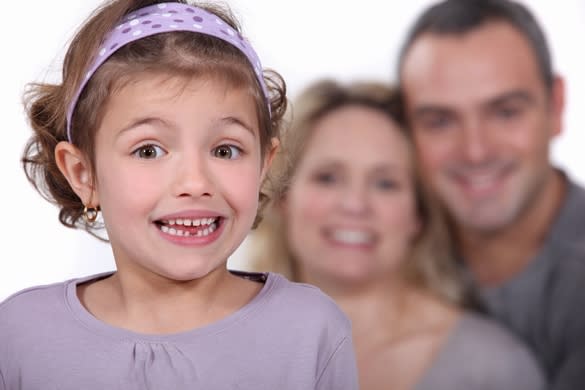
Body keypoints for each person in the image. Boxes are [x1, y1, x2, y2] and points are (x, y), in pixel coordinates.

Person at [0, 1, 360, 389]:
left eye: (225, 150)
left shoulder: (311, 331)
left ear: (263, 165)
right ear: (83, 173)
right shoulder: (21, 336)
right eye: (149, 150)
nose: (194, 181)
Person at [247, 79, 545, 390]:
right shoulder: (220, 344)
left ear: (418, 214)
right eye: (328, 177)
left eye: (385, 183)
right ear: (284, 198)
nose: (355, 204)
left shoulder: (492, 368)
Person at [397, 0, 585, 388]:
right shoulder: (384, 248)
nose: (475, 151)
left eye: (505, 112)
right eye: (440, 121)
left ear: (557, 105)